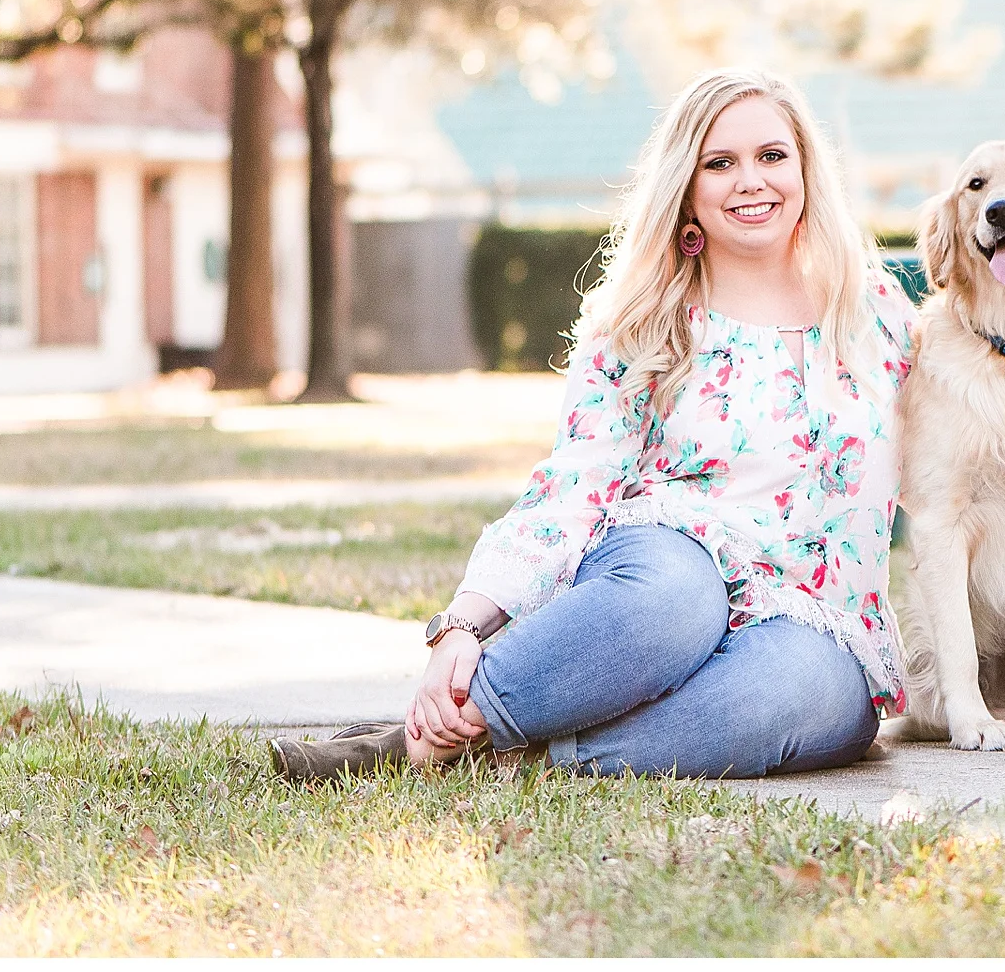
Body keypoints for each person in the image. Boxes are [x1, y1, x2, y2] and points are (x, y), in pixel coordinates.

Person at [271, 68, 915, 782]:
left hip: (816, 617)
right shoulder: (645, 321)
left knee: (796, 693)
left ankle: (496, 755)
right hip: (674, 562)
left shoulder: (878, 312)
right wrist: (463, 624)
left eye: (771, 156)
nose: (750, 181)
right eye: (719, 163)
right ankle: (448, 726)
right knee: (677, 601)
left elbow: (963, 445)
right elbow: (574, 483)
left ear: (805, 168)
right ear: (687, 188)